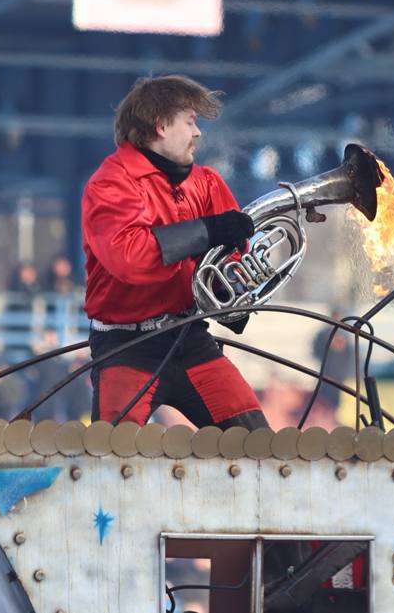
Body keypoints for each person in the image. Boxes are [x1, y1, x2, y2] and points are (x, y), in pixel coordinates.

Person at [80, 75, 266, 430]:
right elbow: (129, 257)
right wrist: (208, 230)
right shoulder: (110, 183)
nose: (198, 133)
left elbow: (230, 259)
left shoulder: (206, 182)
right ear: (161, 126)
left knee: (258, 444)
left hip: (190, 337)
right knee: (112, 455)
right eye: (191, 121)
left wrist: (231, 295)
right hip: (126, 347)